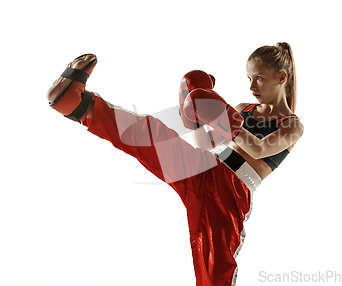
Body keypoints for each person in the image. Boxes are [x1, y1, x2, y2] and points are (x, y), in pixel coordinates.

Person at [46, 42, 304, 286]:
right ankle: (79, 105)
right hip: (205, 166)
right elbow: (206, 143)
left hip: (230, 193)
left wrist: (223, 116)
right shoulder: (243, 108)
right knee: (151, 134)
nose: (251, 87)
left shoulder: (292, 125)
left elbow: (259, 149)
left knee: (214, 269)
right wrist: (192, 112)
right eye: (249, 78)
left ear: (281, 78)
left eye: (259, 78)